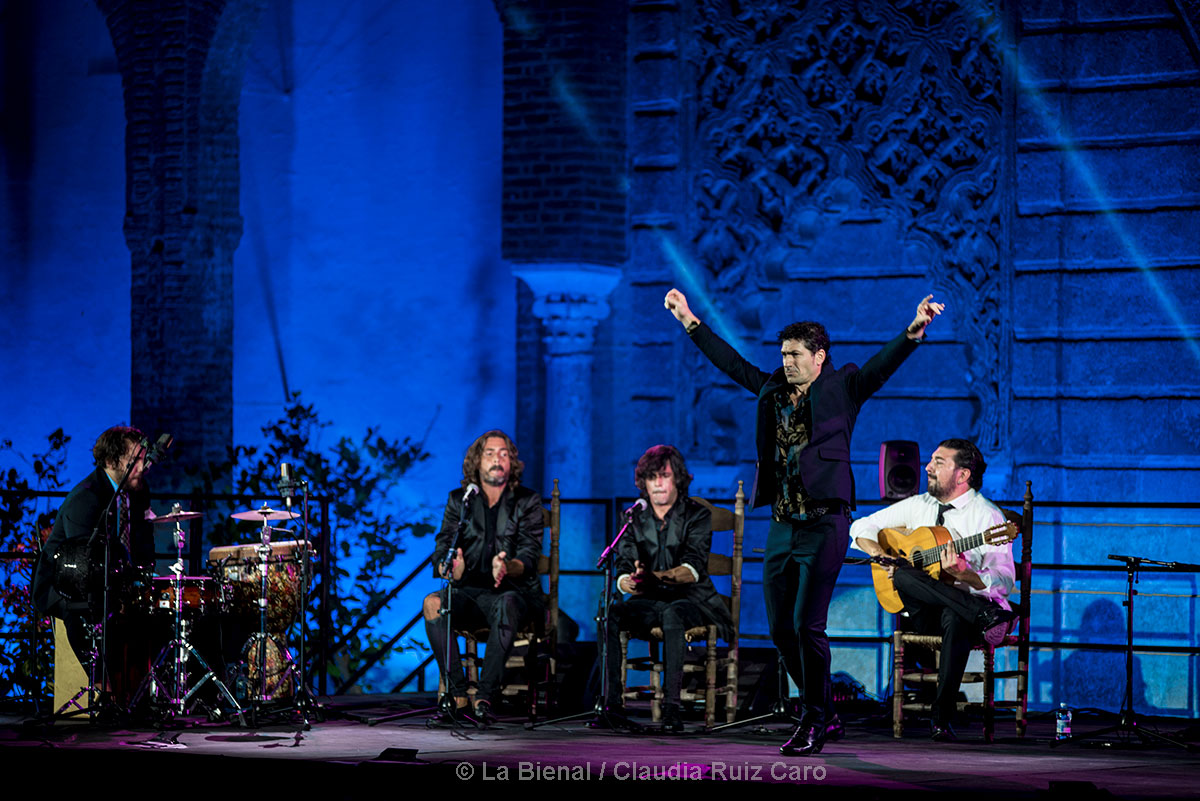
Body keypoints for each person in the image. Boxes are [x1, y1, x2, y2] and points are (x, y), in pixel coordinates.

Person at [663, 287, 942, 755]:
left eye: (795, 355)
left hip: (824, 523)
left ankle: (813, 718)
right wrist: (690, 321)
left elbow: (880, 367)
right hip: (782, 524)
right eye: (783, 355)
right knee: (779, 630)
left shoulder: (843, 387)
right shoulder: (773, 390)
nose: (787, 362)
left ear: (819, 356)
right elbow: (732, 364)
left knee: (806, 625)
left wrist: (913, 331)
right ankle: (825, 709)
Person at [851, 438, 1016, 741]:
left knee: (955, 616)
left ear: (962, 475)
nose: (927, 467)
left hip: (960, 616)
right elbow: (860, 526)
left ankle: (941, 718)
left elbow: (1005, 580)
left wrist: (967, 575)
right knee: (902, 574)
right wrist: (881, 555)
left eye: (938, 462)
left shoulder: (988, 516)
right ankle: (983, 613)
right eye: (931, 460)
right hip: (927, 614)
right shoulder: (920, 504)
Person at [603, 445, 733, 732]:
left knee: (673, 614)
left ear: (678, 479)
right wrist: (628, 581)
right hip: (650, 599)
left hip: (692, 599)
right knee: (611, 614)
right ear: (643, 482)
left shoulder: (697, 515)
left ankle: (672, 709)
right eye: (652, 477)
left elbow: (692, 568)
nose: (658, 483)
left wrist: (655, 577)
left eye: (665, 476)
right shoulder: (634, 517)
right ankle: (612, 707)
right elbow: (624, 564)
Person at [423, 430, 544, 725]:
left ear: (511, 462)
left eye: (503, 454)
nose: (497, 459)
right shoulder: (460, 500)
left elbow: (530, 554)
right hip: (468, 592)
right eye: (489, 453)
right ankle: (458, 695)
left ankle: (485, 696)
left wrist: (507, 566)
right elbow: (442, 548)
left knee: (507, 604)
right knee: (432, 603)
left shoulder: (526, 500)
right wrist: (450, 567)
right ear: (477, 461)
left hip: (513, 593)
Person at [31, 425, 155, 691]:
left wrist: (144, 580)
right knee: (83, 607)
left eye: (144, 459)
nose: (142, 467)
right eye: (135, 460)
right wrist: (120, 592)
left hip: (110, 576)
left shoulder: (138, 491)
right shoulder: (86, 497)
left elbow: (145, 542)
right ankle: (102, 685)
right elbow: (84, 562)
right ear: (110, 461)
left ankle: (142, 690)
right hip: (64, 581)